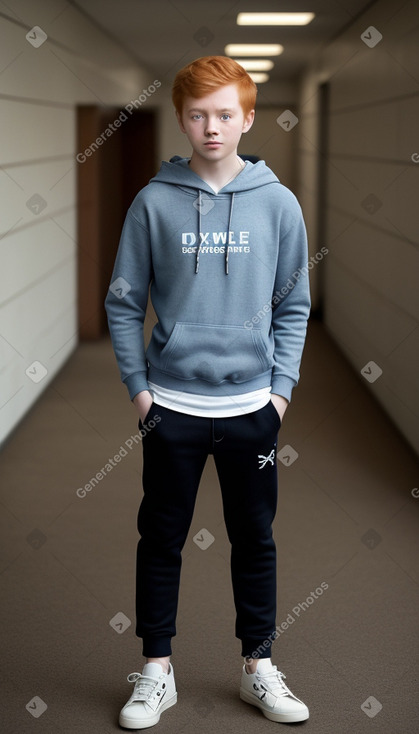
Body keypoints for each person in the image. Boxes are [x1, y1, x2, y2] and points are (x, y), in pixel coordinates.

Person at [105, 55, 311, 729]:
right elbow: (123, 300)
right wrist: (140, 391)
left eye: (225, 114)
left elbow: (293, 304)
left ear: (248, 118)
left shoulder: (278, 204)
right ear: (181, 119)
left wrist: (278, 393)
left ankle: (258, 667)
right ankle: (156, 672)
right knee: (160, 538)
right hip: (172, 408)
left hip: (252, 409)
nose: (211, 127)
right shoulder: (153, 201)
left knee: (255, 539)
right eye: (197, 115)